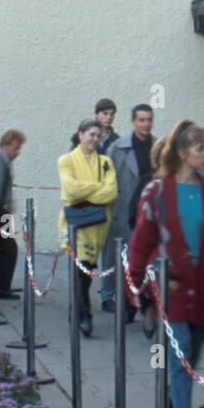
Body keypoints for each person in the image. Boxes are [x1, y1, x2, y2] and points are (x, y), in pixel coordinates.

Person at [126, 120, 204, 408]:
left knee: (192, 353)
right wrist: (135, 280)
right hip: (171, 285)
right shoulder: (156, 192)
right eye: (199, 148)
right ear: (183, 153)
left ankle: (176, 400)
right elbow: (141, 241)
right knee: (180, 352)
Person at [57, 119, 118, 336]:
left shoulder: (105, 163)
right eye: (91, 134)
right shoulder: (66, 161)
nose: (94, 139)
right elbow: (70, 190)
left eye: (98, 135)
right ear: (80, 134)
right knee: (80, 270)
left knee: (86, 271)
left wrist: (89, 192)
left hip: (98, 225)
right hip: (75, 225)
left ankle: (76, 310)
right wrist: (97, 188)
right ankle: (85, 317)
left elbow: (111, 192)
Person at [105, 104, 155, 311]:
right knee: (121, 257)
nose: (146, 124)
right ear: (132, 121)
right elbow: (108, 182)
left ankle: (143, 300)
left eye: (149, 120)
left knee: (144, 258)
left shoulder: (158, 146)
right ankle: (116, 298)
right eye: (141, 120)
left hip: (148, 210)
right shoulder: (117, 148)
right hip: (124, 210)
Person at [0, 129, 26, 298]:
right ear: (4, 145)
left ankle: (2, 286)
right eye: (15, 148)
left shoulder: (5, 162)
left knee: (10, 248)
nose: (17, 153)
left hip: (2, 212)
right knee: (6, 248)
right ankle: (0, 287)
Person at [93, 98, 120, 311]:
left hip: (109, 200)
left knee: (111, 250)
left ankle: (107, 294)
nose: (107, 117)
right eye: (104, 113)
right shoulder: (87, 136)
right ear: (97, 115)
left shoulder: (118, 142)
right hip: (89, 199)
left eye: (111, 113)